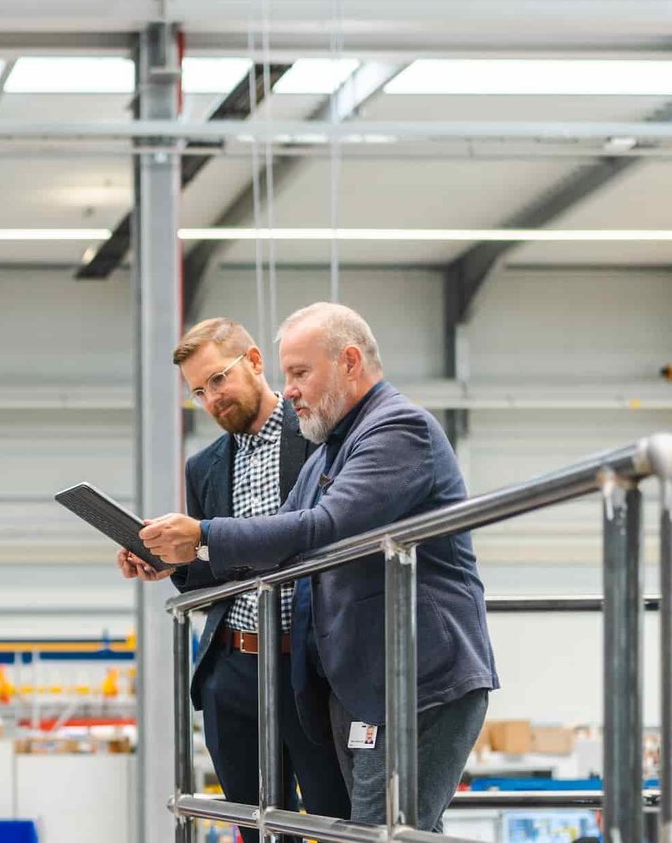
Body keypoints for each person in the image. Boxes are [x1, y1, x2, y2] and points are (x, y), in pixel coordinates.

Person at [137, 302, 499, 833]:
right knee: (388, 829)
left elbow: (325, 527)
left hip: (421, 678)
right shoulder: (331, 449)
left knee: (382, 830)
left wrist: (204, 534)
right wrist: (182, 552)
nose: (293, 390)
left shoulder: (399, 429)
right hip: (366, 680)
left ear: (350, 362)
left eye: (301, 373)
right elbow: (283, 541)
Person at [118, 317, 349, 841]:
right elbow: (209, 568)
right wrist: (167, 564)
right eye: (198, 391)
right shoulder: (205, 466)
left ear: (255, 362)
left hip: (309, 665)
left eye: (218, 379)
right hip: (233, 667)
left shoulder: (317, 436)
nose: (211, 398)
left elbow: (328, 534)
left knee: (333, 816)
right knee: (254, 825)